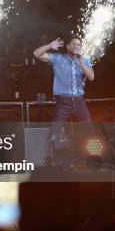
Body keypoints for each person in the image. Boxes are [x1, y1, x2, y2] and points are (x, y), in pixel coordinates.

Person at [33, 36, 95, 164]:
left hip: (79, 102)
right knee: (54, 131)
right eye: (74, 44)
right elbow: (36, 54)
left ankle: (92, 158)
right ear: (68, 46)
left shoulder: (85, 60)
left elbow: (91, 77)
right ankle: (49, 160)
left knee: (89, 130)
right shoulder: (58, 58)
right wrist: (50, 45)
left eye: (79, 45)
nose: (76, 46)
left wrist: (82, 61)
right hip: (64, 102)